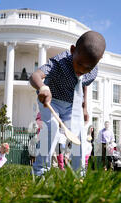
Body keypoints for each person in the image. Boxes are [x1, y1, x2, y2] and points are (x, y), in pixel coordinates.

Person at [29, 31, 106, 176]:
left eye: (87, 68)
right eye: (79, 64)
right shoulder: (60, 62)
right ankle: (40, 172)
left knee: (80, 136)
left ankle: (79, 175)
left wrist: (84, 107)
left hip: (72, 105)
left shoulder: (92, 71)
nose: (81, 70)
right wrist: (42, 88)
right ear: (72, 50)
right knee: (51, 127)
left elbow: (83, 84)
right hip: (51, 101)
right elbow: (35, 76)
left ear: (98, 61)